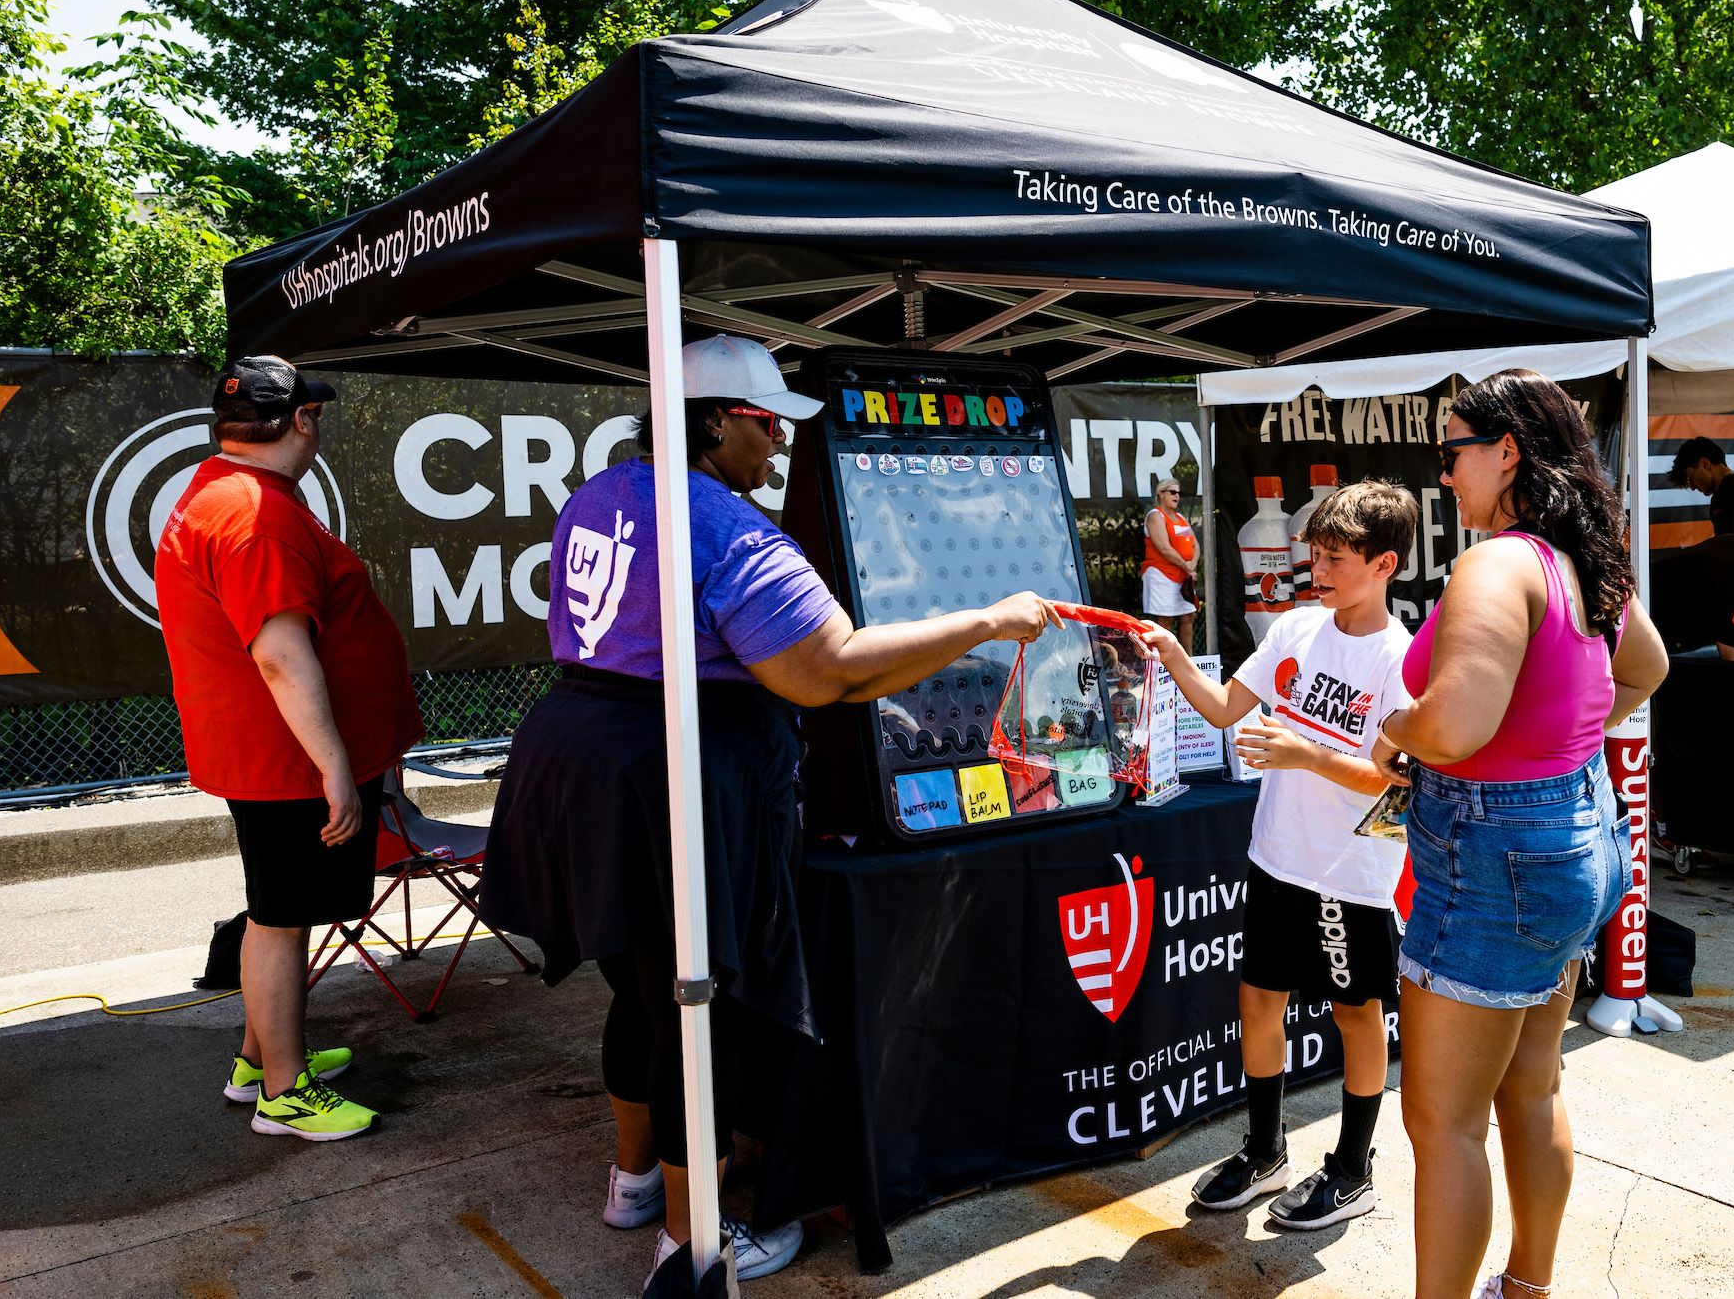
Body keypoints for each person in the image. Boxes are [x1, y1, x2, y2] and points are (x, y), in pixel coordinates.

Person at [480, 335, 1058, 1289]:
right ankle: (692, 1239)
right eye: (763, 426)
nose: (778, 448)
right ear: (712, 422)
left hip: (579, 757)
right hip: (675, 776)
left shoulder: (603, 491)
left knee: (638, 986)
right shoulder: (729, 528)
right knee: (700, 1010)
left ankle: (633, 1181)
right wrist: (989, 623)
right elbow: (826, 671)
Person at [1373, 369, 1669, 1299]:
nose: (1444, 472)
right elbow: (1647, 668)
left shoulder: (1498, 562)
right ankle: (1528, 1288)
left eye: (1451, 450)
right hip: (1575, 832)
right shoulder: (1584, 560)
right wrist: (1561, 732)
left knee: (1444, 1123)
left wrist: (1396, 729)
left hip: (1494, 857)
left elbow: (1453, 725)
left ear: (1506, 451)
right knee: (1531, 1090)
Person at [154, 355, 423, 1142]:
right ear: (302, 421)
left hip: (269, 754)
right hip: (287, 761)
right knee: (280, 918)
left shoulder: (221, 493)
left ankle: (258, 1056)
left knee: (283, 909)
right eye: (318, 419)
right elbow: (279, 652)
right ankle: (283, 1093)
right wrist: (334, 766)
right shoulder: (256, 513)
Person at [1141, 481, 1417, 1230]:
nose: (1316, 570)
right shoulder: (1294, 629)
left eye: (1334, 558)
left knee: (1355, 1015)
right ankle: (1265, 1152)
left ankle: (1353, 1171)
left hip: (1349, 875)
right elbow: (1225, 710)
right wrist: (1170, 653)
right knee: (1258, 1001)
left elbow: (1394, 782)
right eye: (1314, 555)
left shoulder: (1402, 659)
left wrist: (1306, 753)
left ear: (1384, 563)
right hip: (1276, 857)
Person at [1142, 476, 1199, 648]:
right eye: (1172, 492)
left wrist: (1192, 565)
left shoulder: (1181, 517)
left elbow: (1195, 545)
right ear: (1161, 494)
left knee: (1188, 617)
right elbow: (1164, 549)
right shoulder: (1155, 516)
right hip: (1161, 575)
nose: (1177, 496)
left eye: (1179, 493)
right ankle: (1162, 665)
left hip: (1184, 575)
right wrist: (1186, 566)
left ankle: (1188, 663)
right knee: (1165, 621)